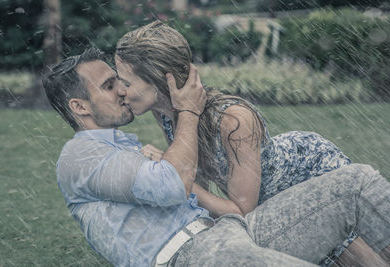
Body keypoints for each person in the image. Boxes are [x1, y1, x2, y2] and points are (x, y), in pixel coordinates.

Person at [42, 48, 390, 267]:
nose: (122, 90)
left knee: (357, 184)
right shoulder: (80, 156)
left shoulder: (119, 145)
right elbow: (173, 184)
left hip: (231, 230)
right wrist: (188, 112)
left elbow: (180, 180)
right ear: (79, 107)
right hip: (192, 254)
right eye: (108, 86)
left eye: (119, 81)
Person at [114, 21, 361, 265]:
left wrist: (177, 179)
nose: (119, 91)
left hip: (309, 173)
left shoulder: (232, 120)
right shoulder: (168, 113)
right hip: (264, 204)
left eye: (126, 82)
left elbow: (243, 213)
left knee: (360, 254)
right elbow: (198, 183)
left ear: (159, 80)